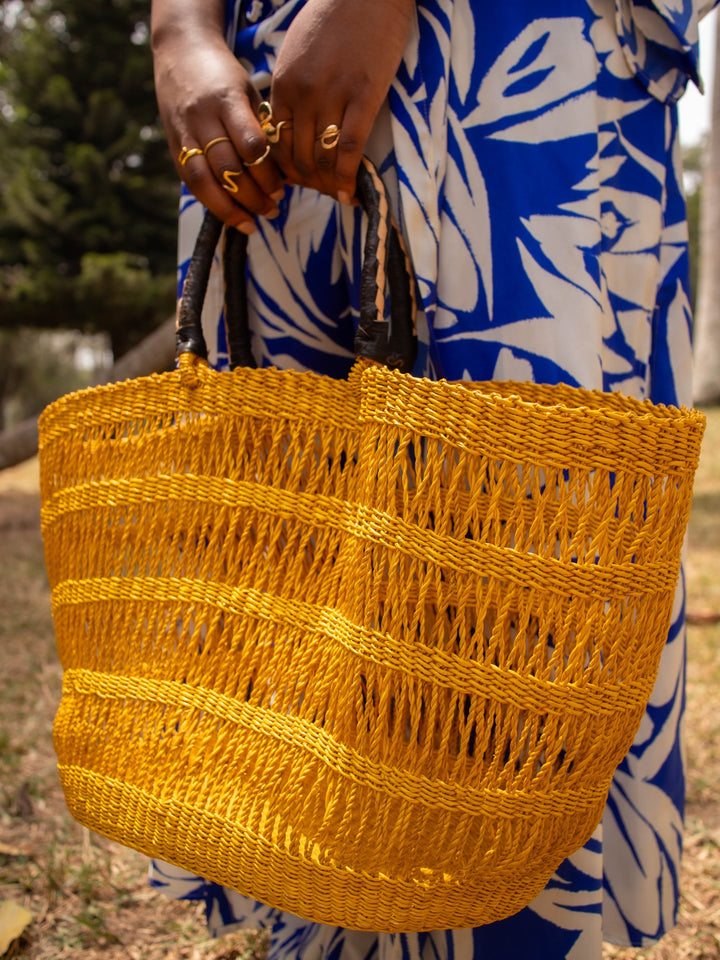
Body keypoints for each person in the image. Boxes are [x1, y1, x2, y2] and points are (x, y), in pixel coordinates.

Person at [148, 1, 716, 957]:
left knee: (515, 582)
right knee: (301, 566)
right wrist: (178, 31)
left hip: (502, 53)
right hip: (270, 72)